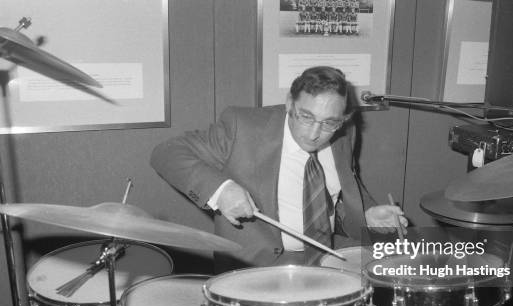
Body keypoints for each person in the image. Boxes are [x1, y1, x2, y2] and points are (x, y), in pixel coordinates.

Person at [151, 66, 407, 273]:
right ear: (289, 104)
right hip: (258, 267)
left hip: (328, 258)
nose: (315, 133)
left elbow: (341, 186)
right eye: (306, 117)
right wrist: (221, 190)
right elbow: (167, 153)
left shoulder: (344, 133)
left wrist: (369, 213)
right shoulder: (243, 127)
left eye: (329, 123)